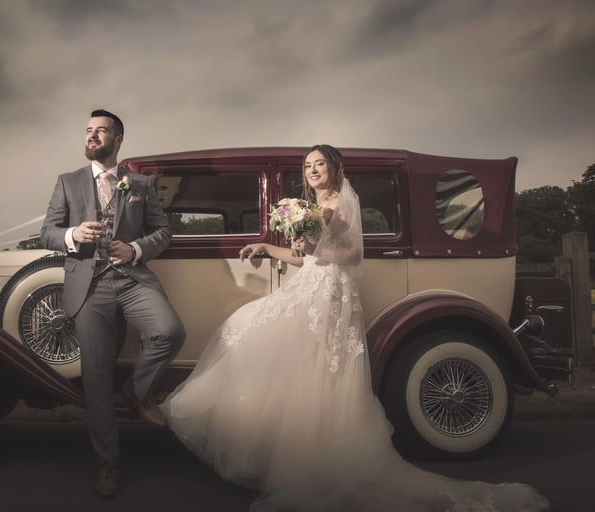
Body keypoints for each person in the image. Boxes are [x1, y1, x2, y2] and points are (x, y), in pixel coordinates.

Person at [160, 145, 549, 511]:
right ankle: (293, 451)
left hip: (330, 292)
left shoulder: (343, 200)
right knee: (284, 357)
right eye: (308, 166)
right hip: (312, 283)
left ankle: (311, 460)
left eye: (320, 165)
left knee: (272, 343)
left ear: (335, 168)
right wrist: (268, 246)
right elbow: (302, 257)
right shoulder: (315, 205)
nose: (313, 171)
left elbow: (352, 254)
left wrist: (312, 239)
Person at [41, 108, 185, 499]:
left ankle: (137, 394)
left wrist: (135, 248)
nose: (92, 135)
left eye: (100, 131)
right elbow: (47, 233)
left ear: (117, 140)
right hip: (90, 285)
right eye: (88, 130)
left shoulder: (140, 183)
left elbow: (163, 231)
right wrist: (73, 233)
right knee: (97, 376)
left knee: (170, 331)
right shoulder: (67, 182)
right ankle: (108, 463)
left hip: (132, 279)